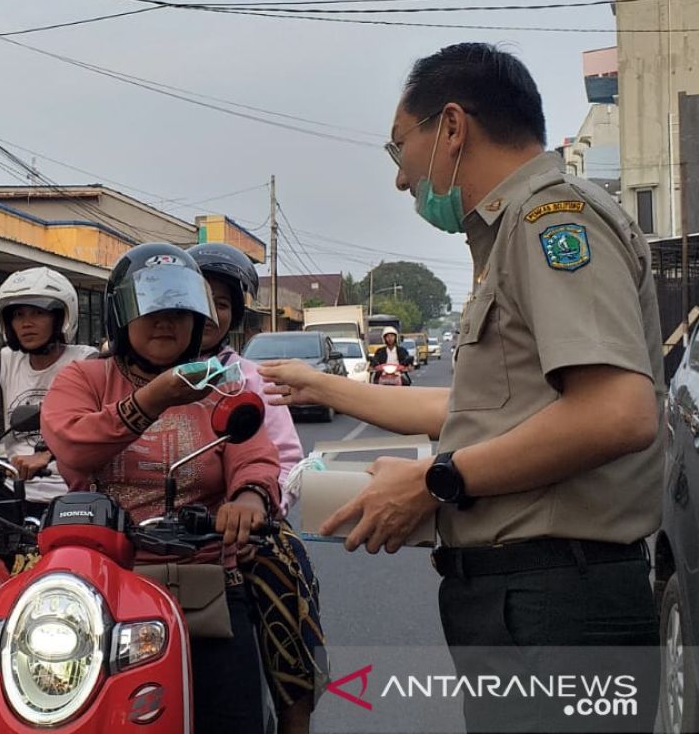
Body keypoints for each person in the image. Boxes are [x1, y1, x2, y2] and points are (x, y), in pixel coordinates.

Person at [259, 43, 662, 733]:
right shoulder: (509, 236)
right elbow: (483, 410)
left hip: (557, 603)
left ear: (451, 127)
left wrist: (437, 482)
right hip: (525, 601)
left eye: (398, 149)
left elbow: (617, 413)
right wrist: (315, 385)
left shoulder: (550, 222)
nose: (400, 179)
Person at [41, 242, 280, 734]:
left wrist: (249, 499)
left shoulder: (225, 384)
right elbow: (73, 446)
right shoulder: (84, 378)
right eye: (150, 307)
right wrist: (154, 398)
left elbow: (253, 455)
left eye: (180, 309)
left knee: (268, 671)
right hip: (101, 583)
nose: (166, 320)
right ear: (119, 316)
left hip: (207, 583)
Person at [188, 242, 326, 733]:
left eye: (221, 304)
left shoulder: (250, 378)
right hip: (147, 535)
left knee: (286, 593)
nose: (208, 313)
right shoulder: (125, 376)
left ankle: (294, 718)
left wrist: (254, 511)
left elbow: (287, 462)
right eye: (197, 299)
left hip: (245, 530)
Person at [0, 267, 96, 515]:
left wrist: (47, 453)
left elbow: (97, 425)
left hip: (72, 494)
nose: (27, 323)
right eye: (19, 314)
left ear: (60, 318)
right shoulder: (5, 361)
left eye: (37, 313)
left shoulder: (87, 361)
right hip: (15, 488)